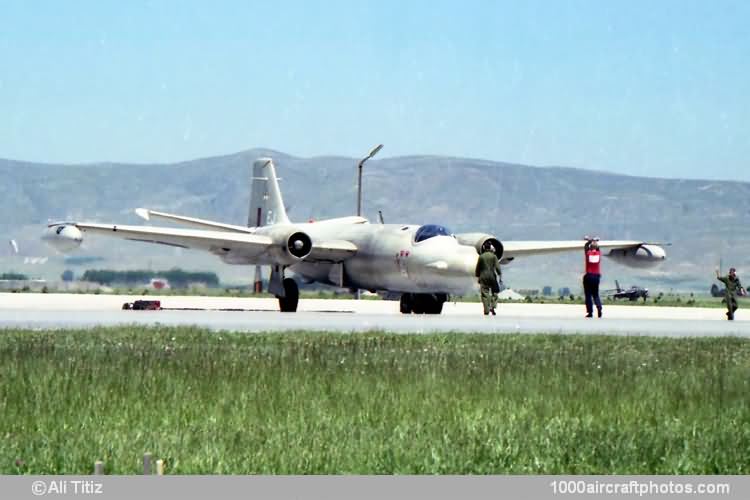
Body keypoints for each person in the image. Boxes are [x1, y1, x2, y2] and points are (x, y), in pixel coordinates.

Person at [475, 242, 501, 315]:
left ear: (484, 247)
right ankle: (493, 306)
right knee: (495, 291)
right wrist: (500, 275)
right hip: (492, 276)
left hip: (483, 277)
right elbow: (497, 267)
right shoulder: (494, 256)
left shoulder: (481, 257)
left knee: (485, 293)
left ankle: (486, 310)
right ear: (490, 247)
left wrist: (477, 276)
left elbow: (478, 268)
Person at [583, 237, 603, 318]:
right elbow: (597, 248)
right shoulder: (598, 254)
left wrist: (589, 241)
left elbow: (586, 247)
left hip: (589, 276)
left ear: (590, 248)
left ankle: (590, 312)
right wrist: (595, 241)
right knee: (595, 294)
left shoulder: (588, 254)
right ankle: (599, 308)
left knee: (588, 295)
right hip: (596, 276)